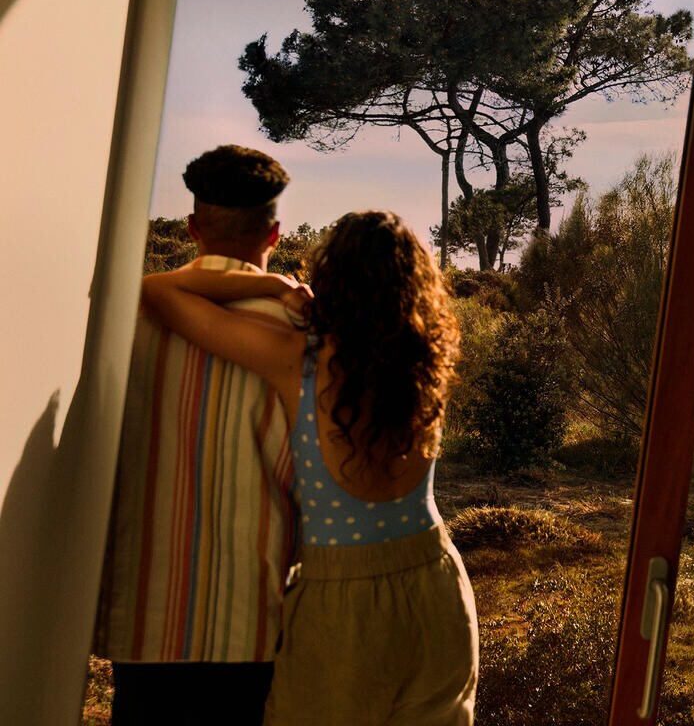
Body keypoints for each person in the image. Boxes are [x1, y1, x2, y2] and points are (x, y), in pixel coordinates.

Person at [139, 209, 478, 725]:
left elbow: (156, 291)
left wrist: (276, 286)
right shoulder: (428, 365)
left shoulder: (298, 362)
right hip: (437, 583)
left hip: (343, 605)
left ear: (331, 281)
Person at [94, 145, 301, 725]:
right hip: (252, 614)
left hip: (145, 610)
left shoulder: (128, 318)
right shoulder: (298, 329)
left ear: (190, 227)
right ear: (275, 233)